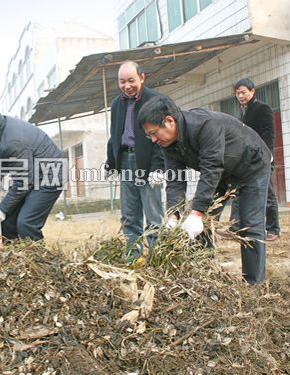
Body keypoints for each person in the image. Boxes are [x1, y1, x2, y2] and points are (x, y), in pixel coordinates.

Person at [138, 95, 272, 284]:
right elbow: (175, 180)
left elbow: (211, 168)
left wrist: (196, 212)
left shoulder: (204, 125)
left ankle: (254, 283)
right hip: (223, 172)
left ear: (169, 121)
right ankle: (204, 275)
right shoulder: (169, 143)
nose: (152, 139)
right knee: (203, 224)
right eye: (148, 135)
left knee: (250, 224)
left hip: (251, 165)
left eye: (153, 133)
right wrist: (173, 216)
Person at [0, 102, 63, 241]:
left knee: (26, 223)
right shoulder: (1, 130)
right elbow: (2, 151)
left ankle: (39, 260)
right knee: (8, 223)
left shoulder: (13, 140)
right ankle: (14, 258)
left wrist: (2, 209)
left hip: (50, 174)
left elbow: (23, 181)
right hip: (32, 172)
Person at [105, 60, 164, 263]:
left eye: (131, 80)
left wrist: (158, 167)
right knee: (130, 216)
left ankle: (157, 260)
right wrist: (111, 163)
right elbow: (114, 134)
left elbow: (162, 137)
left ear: (142, 77)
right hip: (125, 162)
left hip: (147, 163)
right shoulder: (116, 104)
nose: (127, 86)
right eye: (122, 81)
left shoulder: (155, 100)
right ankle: (134, 259)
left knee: (154, 215)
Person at [224, 78, 280, 241]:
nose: (240, 96)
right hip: (245, 160)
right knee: (238, 192)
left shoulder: (263, 109)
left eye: (243, 92)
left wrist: (267, 156)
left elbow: (269, 134)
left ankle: (273, 229)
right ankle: (235, 227)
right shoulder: (242, 111)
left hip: (263, 158)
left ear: (252, 91)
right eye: (237, 93)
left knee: (267, 194)